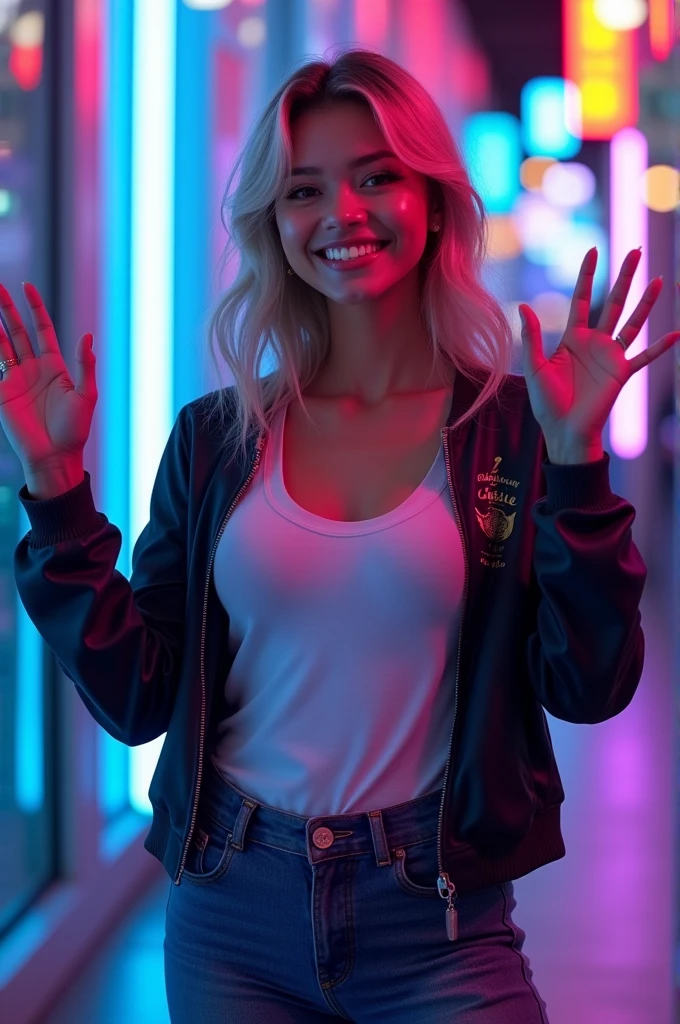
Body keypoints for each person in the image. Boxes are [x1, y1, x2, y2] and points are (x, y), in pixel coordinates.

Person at [3, 45, 678, 1024]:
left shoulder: (507, 429)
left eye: (376, 178)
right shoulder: (217, 439)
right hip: (232, 906)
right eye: (305, 190)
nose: (342, 215)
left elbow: (588, 683)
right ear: (274, 224)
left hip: (439, 917)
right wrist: (56, 484)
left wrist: (575, 464)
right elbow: (138, 693)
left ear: (433, 200)